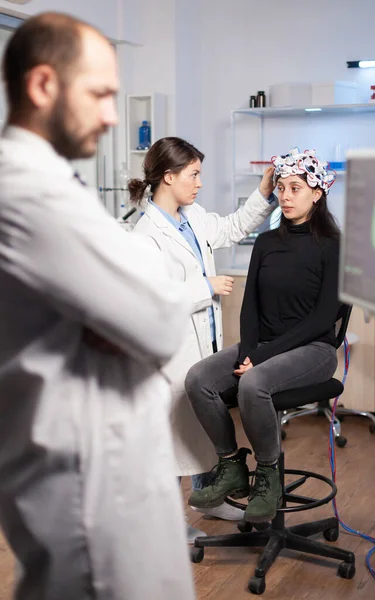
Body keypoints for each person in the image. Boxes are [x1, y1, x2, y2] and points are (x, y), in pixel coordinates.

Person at [0, 13, 195, 600]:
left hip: (104, 470)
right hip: (88, 487)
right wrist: (135, 314)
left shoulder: (56, 185)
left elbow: (151, 306)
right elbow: (161, 320)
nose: (114, 115)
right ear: (42, 87)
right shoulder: (31, 192)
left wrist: (127, 312)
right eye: (100, 94)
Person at [130, 137, 276, 540]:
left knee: (200, 429)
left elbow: (231, 227)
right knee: (171, 438)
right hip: (169, 352)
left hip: (202, 344)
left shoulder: (190, 216)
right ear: (168, 176)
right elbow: (152, 297)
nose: (198, 183)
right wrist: (204, 285)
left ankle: (211, 501)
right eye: (193, 175)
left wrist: (264, 193)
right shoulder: (146, 234)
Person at [185, 147, 341, 524]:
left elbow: (323, 320)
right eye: (282, 188)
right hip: (265, 346)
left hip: (313, 349)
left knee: (253, 384)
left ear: (317, 194)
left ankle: (268, 475)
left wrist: (262, 357)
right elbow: (250, 306)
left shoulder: (333, 246)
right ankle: (231, 463)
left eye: (296, 189)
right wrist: (248, 351)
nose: (285, 196)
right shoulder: (267, 242)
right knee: (199, 379)